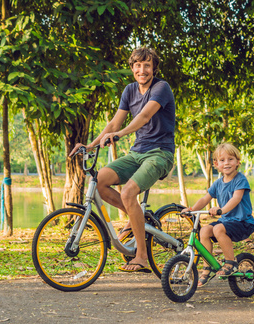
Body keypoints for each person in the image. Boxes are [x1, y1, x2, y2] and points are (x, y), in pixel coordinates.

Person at [69, 47, 175, 273]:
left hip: (160, 153)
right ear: (132, 68)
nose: (142, 70)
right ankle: (138, 216)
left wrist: (119, 135)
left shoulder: (161, 88)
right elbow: (114, 123)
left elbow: (145, 116)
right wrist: (91, 144)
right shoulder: (129, 90)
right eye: (137, 65)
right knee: (100, 181)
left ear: (154, 68)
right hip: (137, 153)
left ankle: (142, 256)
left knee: (128, 193)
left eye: (147, 65)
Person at [181, 143, 254, 287]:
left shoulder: (240, 179)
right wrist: (191, 209)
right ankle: (207, 267)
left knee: (218, 229)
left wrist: (221, 210)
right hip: (227, 221)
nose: (226, 163)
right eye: (222, 160)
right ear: (216, 164)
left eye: (230, 159)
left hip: (243, 222)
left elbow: (236, 198)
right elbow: (204, 199)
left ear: (238, 162)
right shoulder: (217, 183)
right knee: (204, 231)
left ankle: (231, 262)